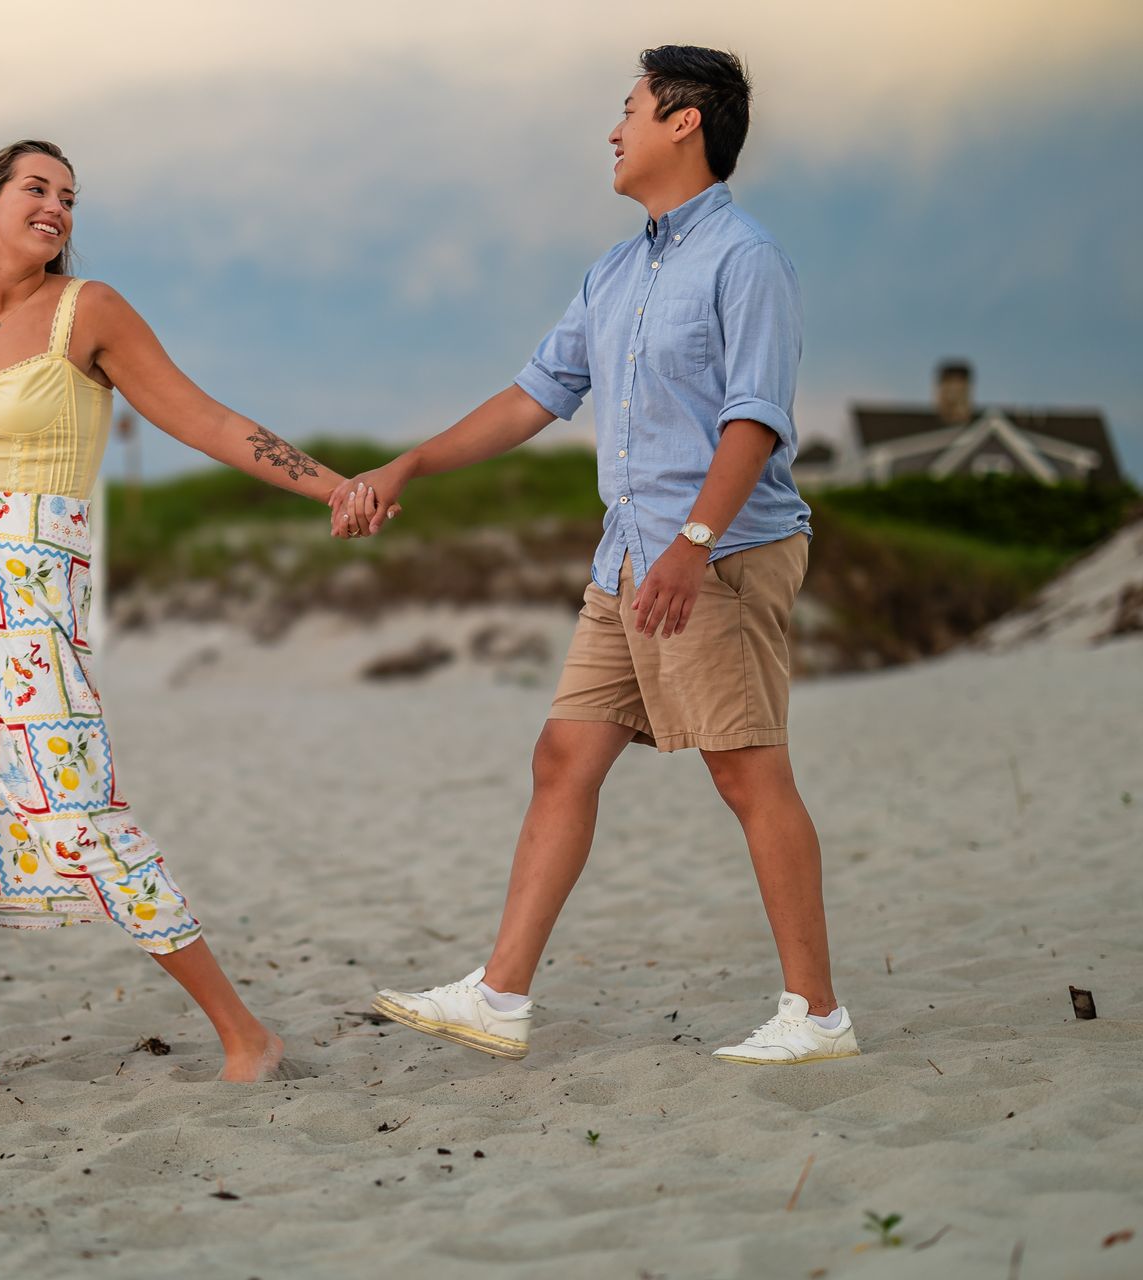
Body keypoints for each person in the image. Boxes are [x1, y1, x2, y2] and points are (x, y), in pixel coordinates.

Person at [332, 47, 856, 1066]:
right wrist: (411, 464)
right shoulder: (616, 271)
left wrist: (694, 544)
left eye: (630, 110)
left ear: (685, 122)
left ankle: (818, 1014)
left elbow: (755, 418)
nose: (614, 131)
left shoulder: (745, 257)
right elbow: (533, 397)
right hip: (628, 558)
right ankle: (499, 995)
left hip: (718, 554)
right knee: (563, 756)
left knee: (747, 771)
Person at [0, 139, 347, 1096]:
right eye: (36, 189)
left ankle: (245, 1034)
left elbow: (203, 419)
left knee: (80, 812)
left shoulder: (87, 310)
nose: (56, 207)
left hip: (30, 595)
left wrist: (331, 486)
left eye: (69, 196)